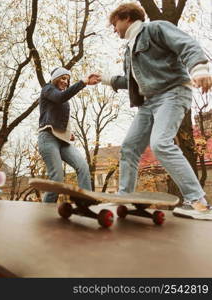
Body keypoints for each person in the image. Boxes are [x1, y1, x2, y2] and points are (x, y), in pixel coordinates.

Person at [99, 3, 212, 220]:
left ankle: (198, 202)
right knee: (130, 147)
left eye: (115, 24)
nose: (114, 30)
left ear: (126, 18)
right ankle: (125, 197)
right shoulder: (128, 51)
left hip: (172, 93)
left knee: (161, 143)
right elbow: (131, 82)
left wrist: (199, 68)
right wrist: (104, 79)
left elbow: (186, 44)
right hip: (148, 103)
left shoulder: (155, 29)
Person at [38, 67, 100, 202]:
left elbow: (59, 117)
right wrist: (83, 82)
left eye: (67, 79)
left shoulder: (63, 98)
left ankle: (86, 201)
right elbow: (59, 98)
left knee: (83, 166)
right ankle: (45, 207)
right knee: (57, 177)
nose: (66, 82)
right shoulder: (47, 89)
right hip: (48, 139)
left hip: (62, 141)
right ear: (55, 78)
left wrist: (68, 133)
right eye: (63, 78)